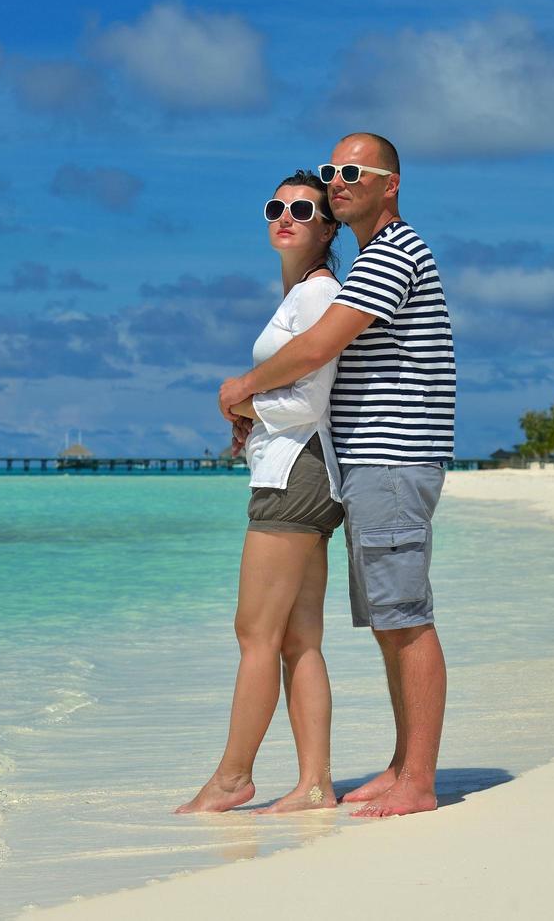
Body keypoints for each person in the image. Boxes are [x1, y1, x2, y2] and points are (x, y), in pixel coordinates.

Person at [218, 133, 454, 818]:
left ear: (391, 184)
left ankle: (419, 780)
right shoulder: (374, 260)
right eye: (332, 171)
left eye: (352, 171)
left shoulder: (393, 254)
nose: (338, 180)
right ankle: (401, 764)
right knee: (388, 618)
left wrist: (241, 388)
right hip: (370, 461)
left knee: (405, 619)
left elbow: (319, 347)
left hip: (392, 456)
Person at [175, 171, 345, 815]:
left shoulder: (318, 294)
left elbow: (308, 398)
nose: (287, 217)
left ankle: (231, 778)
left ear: (329, 227)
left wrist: (243, 397)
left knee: (254, 633)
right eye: (277, 207)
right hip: (300, 470)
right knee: (298, 637)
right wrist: (250, 403)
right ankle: (315, 784)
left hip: (294, 472)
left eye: (304, 209)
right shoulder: (301, 294)